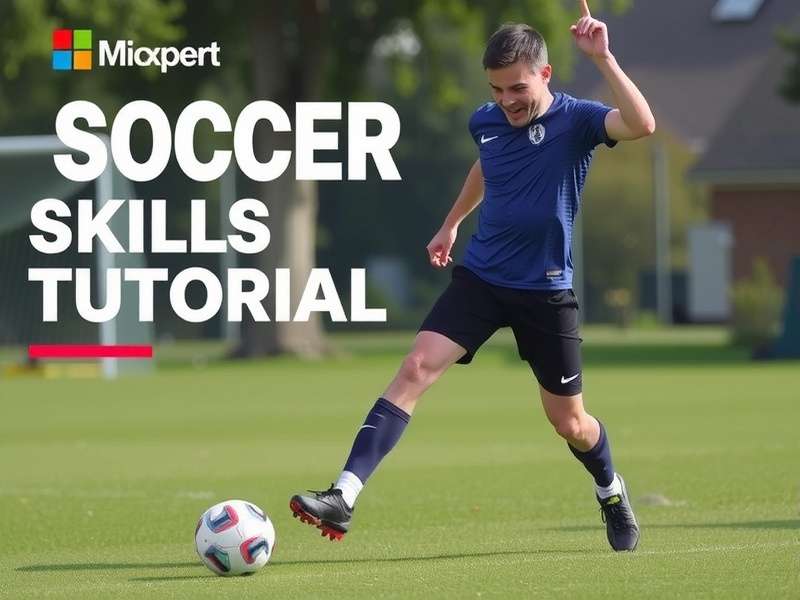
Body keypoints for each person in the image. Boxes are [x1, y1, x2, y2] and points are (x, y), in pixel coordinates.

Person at [290, 2, 654, 552]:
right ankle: (343, 496)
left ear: (545, 75)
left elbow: (642, 124)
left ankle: (610, 488)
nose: (506, 101)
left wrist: (604, 58)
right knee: (415, 367)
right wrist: (450, 224)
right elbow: (488, 164)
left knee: (570, 423)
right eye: (495, 89)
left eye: (516, 88)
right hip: (481, 279)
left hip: (546, 292)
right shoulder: (486, 122)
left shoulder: (578, 120)